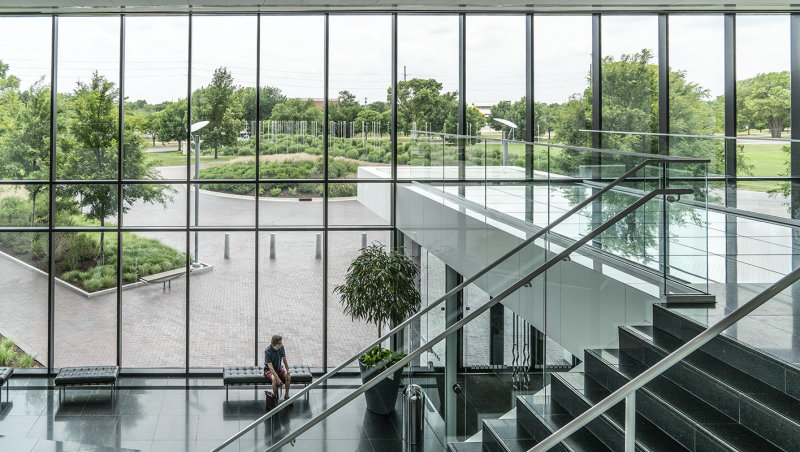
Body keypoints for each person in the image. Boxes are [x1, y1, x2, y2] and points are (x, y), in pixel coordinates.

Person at [265, 334, 291, 401]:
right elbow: (270, 367)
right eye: (279, 343)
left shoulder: (281, 347)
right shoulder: (268, 351)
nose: (281, 344)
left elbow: (284, 360)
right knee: (274, 379)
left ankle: (286, 395)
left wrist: (288, 372)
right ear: (275, 344)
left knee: (288, 377)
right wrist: (277, 378)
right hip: (269, 370)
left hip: (279, 368)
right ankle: (275, 397)